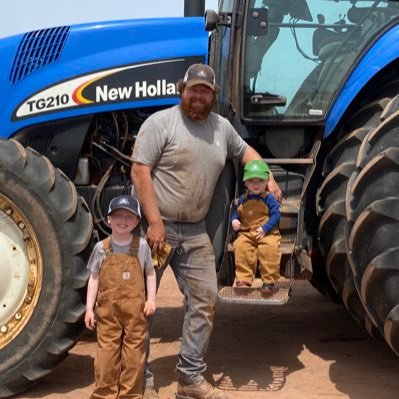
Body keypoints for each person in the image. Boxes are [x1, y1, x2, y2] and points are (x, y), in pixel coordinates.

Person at [131, 63, 282, 399]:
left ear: (213, 95)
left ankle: (190, 378)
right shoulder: (162, 123)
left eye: (205, 91)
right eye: (194, 89)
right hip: (159, 227)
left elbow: (246, 153)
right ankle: (141, 379)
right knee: (142, 303)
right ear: (182, 89)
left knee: (205, 299)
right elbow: (140, 171)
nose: (198, 96)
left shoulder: (221, 128)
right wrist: (154, 222)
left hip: (195, 230)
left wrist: (268, 176)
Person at [85, 194, 156, 399]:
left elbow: (150, 273)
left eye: (128, 216)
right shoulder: (101, 248)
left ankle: (130, 394)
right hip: (107, 310)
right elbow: (94, 278)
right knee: (107, 353)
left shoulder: (141, 246)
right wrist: (89, 308)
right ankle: (104, 394)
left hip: (136, 310)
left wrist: (151, 299)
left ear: (136, 221)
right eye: (118, 216)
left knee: (134, 354)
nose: (122, 221)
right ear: (108, 219)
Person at [231, 160, 282, 293]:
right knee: (241, 246)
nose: (256, 184)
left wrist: (265, 229)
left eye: (260, 181)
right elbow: (237, 212)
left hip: (267, 232)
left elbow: (276, 215)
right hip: (247, 232)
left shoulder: (269, 199)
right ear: (246, 183)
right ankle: (244, 278)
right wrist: (234, 221)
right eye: (252, 181)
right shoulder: (243, 199)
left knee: (270, 248)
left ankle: (268, 280)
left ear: (266, 182)